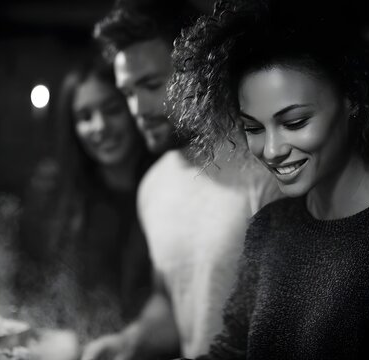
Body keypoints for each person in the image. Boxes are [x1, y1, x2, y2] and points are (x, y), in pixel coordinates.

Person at [167, 0, 369, 358]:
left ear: (352, 97)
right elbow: (233, 349)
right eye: (253, 128)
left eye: (294, 123)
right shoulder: (270, 228)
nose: (271, 149)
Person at [81, 1, 282, 359]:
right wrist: (128, 344)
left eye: (151, 85)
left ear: (199, 71)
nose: (137, 109)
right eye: (127, 92)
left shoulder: (269, 169)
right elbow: (170, 304)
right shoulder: (155, 184)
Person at [16, 47, 154, 341]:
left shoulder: (166, 188)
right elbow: (35, 284)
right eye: (84, 116)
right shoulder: (57, 194)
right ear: (71, 126)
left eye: (112, 109)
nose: (100, 127)